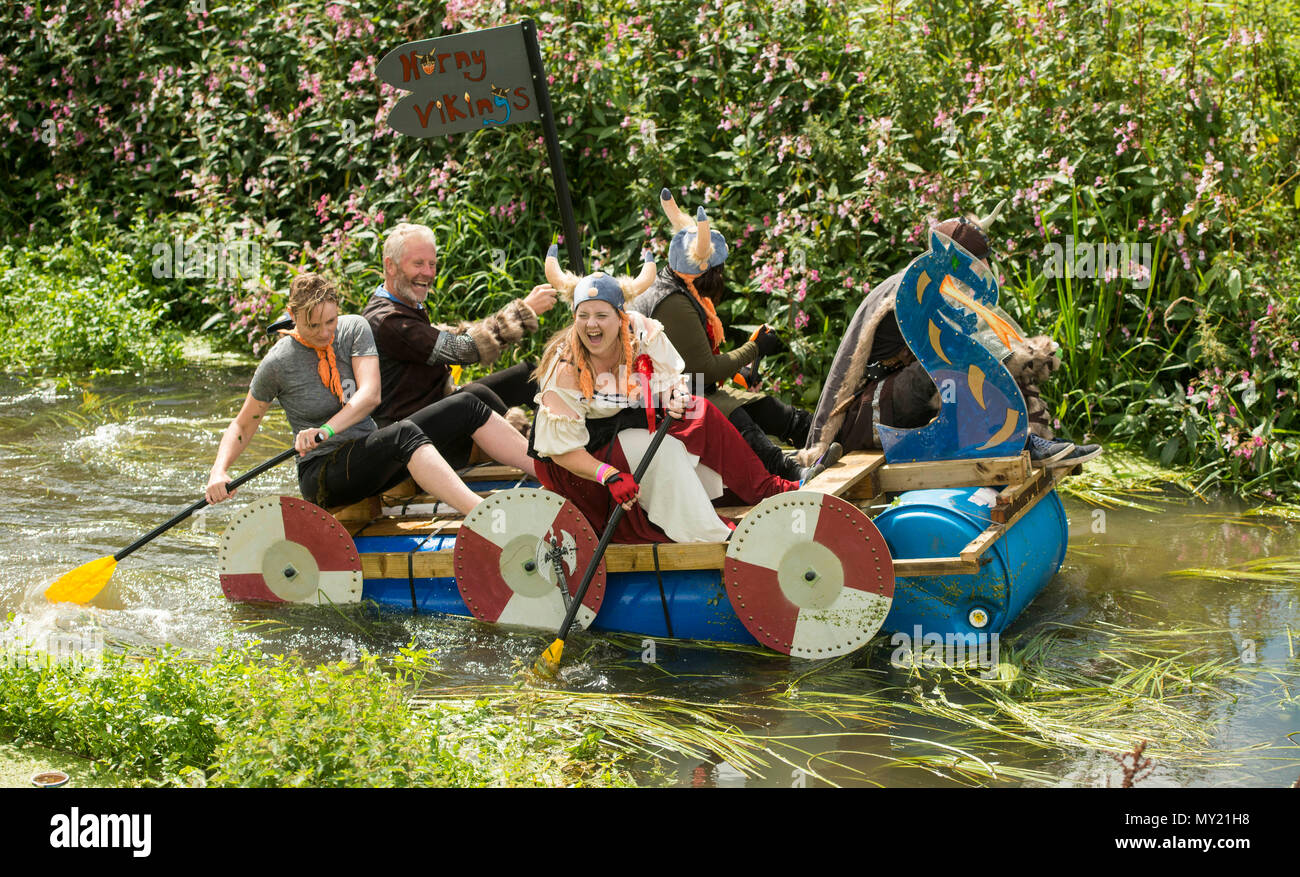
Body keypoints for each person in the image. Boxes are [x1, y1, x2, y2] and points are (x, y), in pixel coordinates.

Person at [532, 247, 837, 544]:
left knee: (698, 410)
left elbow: (671, 379)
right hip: (582, 461)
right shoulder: (565, 368)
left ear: (620, 317)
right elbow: (561, 451)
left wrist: (675, 395)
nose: (591, 325)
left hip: (622, 427)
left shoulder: (638, 332)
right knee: (663, 449)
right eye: (583, 316)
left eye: (601, 315)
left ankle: (773, 487)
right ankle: (715, 536)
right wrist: (608, 475)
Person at [206, 273, 537, 514]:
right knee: (405, 432)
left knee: (465, 403)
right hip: (325, 474)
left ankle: (551, 473)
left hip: (368, 454)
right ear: (292, 317)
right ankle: (483, 515)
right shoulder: (278, 362)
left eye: (330, 322)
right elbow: (242, 425)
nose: (324, 333)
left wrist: (325, 429)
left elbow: (369, 396)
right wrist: (219, 472)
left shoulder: (353, 329)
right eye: (312, 326)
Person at [799, 205, 1100, 469]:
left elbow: (985, 339)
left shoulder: (938, 282)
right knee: (963, 360)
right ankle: (1021, 442)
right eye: (978, 262)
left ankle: (1032, 438)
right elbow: (966, 347)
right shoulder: (911, 287)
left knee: (989, 358)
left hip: (896, 398)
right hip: (866, 414)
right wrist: (1023, 356)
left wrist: (1027, 354)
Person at [629, 189, 818, 482]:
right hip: (666, 401)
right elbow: (704, 369)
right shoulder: (673, 301)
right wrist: (753, 348)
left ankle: (820, 438)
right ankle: (787, 470)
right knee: (737, 415)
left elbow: (693, 364)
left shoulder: (681, 289)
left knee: (768, 407)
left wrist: (739, 367)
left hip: (689, 387)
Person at [361, 222, 559, 462]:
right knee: (473, 395)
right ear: (389, 266)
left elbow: (449, 335)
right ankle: (539, 456)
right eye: (418, 264)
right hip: (413, 432)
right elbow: (463, 349)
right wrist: (522, 311)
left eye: (431, 264)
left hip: (441, 407)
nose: (427, 272)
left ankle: (570, 431)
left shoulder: (402, 304)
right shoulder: (389, 320)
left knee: (526, 374)